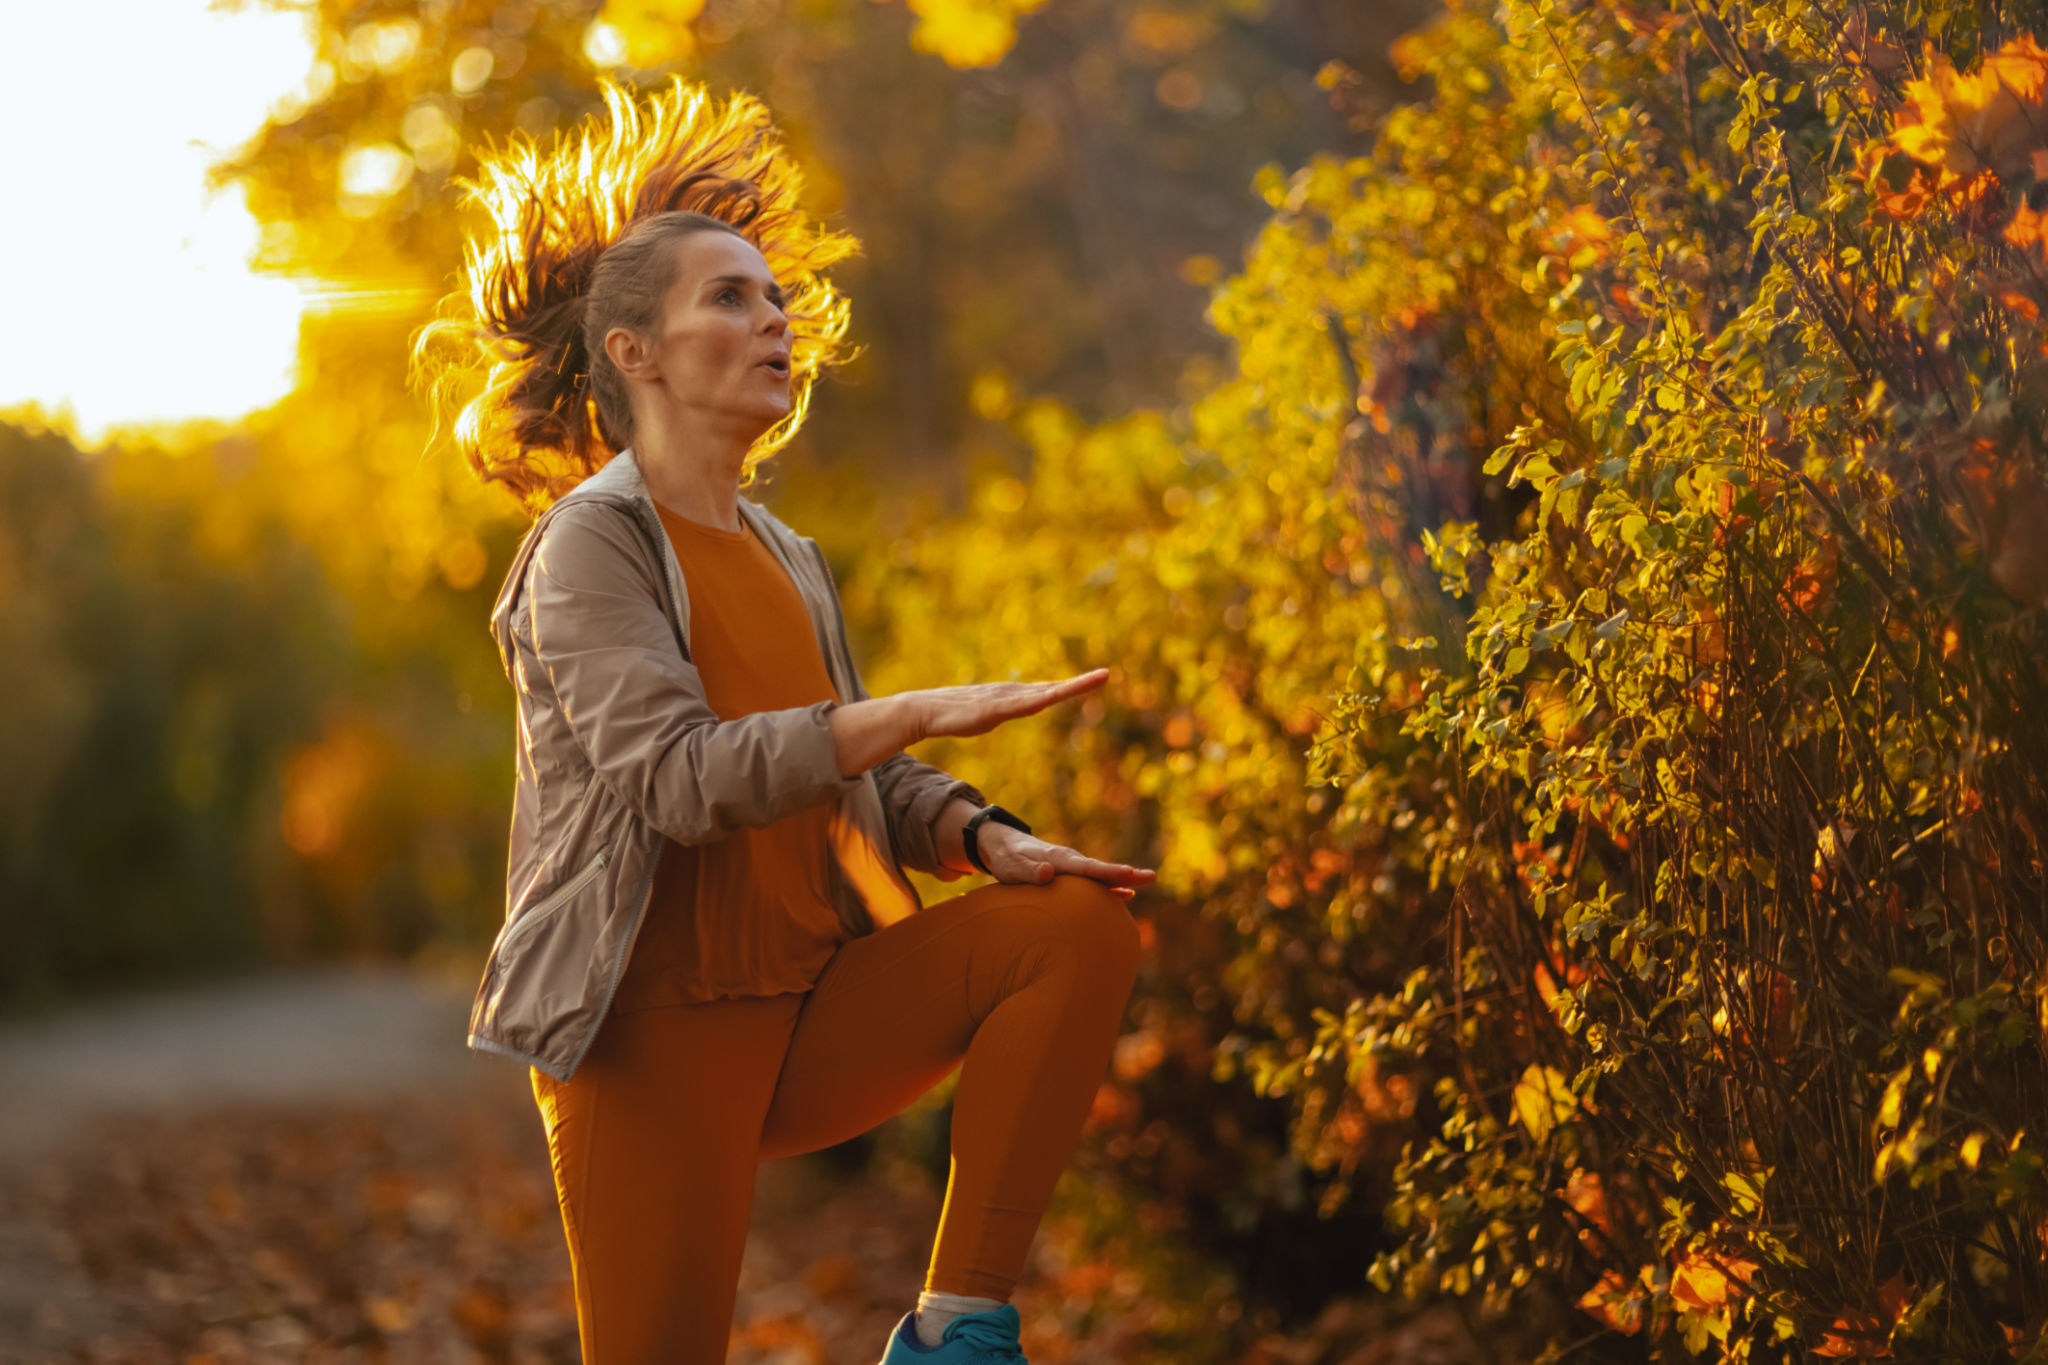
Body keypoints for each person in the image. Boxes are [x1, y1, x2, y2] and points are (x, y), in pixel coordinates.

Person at [415, 80, 1157, 1365]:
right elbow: (680, 781)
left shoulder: (787, 553)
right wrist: (907, 710)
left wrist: (983, 838)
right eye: (731, 298)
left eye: (777, 298)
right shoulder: (588, 545)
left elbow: (845, 775)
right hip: (649, 1036)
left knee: (1074, 930)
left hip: (811, 1005)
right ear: (634, 352)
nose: (775, 321)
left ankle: (956, 1329)